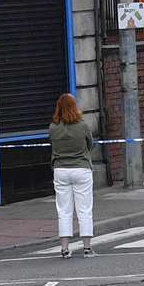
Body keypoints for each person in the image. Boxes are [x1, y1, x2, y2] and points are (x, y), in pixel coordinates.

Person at [48, 93, 97, 258]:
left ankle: (64, 248)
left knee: (63, 210)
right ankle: (87, 248)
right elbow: (90, 144)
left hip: (60, 170)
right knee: (84, 209)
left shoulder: (53, 127)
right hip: (81, 169)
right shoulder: (82, 125)